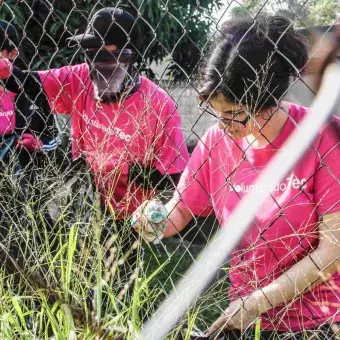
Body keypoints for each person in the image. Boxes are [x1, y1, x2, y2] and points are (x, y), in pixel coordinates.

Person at [133, 15, 340, 339]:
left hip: (317, 323)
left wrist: (258, 302)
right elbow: (180, 209)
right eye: (217, 113)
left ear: (267, 101)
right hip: (244, 320)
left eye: (232, 114)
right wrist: (151, 217)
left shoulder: (323, 136)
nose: (223, 125)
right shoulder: (216, 142)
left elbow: (333, 251)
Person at [0, 8, 189, 289]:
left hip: (130, 216)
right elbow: (29, 83)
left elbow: (175, 179)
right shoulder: (80, 79)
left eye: (103, 52)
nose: (93, 61)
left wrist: (124, 170)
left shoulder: (159, 105)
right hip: (84, 205)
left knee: (115, 289)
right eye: (89, 51)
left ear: (128, 53)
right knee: (74, 283)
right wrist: (6, 68)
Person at [0, 20, 62, 278]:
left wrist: (38, 144)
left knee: (35, 268)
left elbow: (55, 138)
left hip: (30, 199)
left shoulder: (33, 88)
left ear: (12, 54)